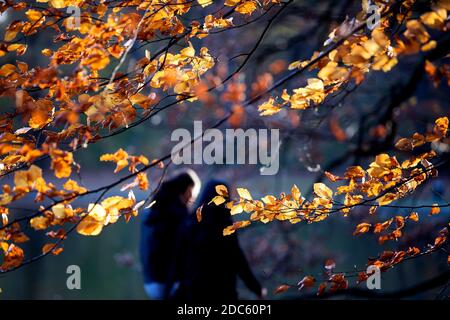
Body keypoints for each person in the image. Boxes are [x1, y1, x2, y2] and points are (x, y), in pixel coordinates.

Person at [177, 179, 266, 301]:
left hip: (196, 292)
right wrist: (257, 289)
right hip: (224, 292)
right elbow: (239, 261)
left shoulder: (191, 223)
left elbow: (178, 260)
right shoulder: (226, 227)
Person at [139, 169, 200, 300]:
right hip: (169, 284)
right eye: (193, 194)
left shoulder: (152, 211)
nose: (192, 199)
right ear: (188, 190)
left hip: (150, 282)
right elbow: (179, 253)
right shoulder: (178, 215)